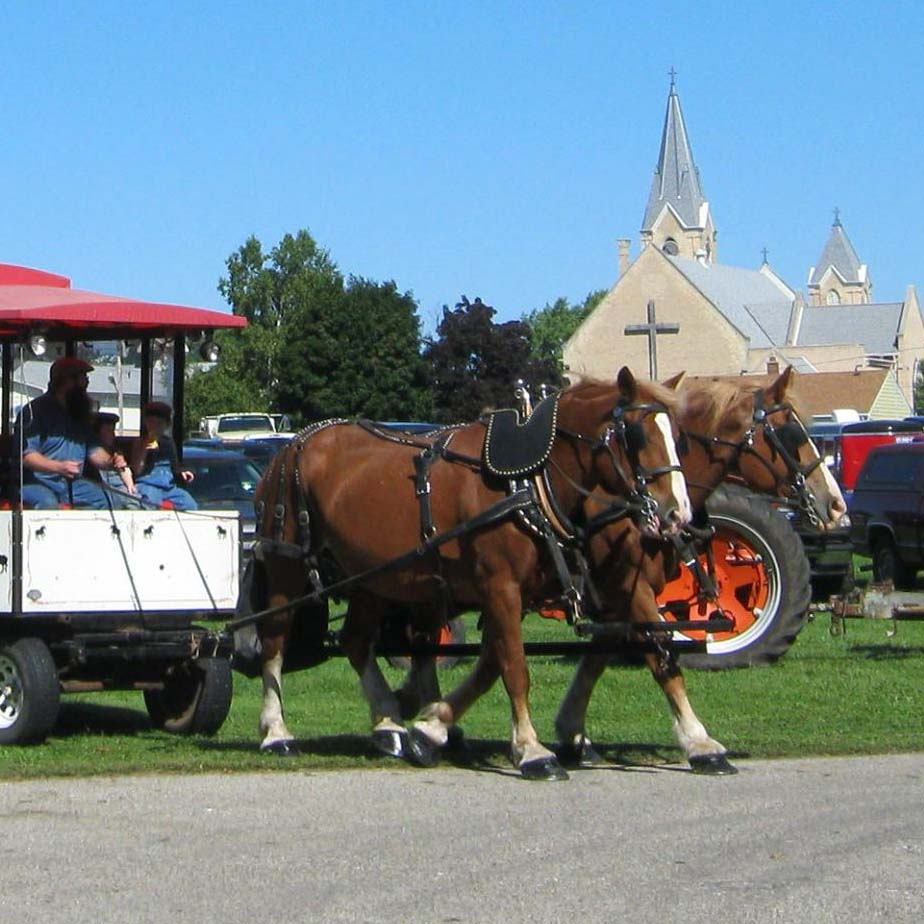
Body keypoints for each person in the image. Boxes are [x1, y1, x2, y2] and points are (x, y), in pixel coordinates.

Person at [12, 356, 114, 509]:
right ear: (66, 380)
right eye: (83, 377)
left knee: (107, 499)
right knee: (48, 503)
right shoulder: (34, 412)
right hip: (36, 482)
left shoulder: (79, 413)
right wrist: (59, 467)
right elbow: (26, 456)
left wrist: (112, 462)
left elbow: (94, 451)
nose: (87, 382)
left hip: (72, 483)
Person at [130, 401, 198, 510]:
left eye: (159, 423)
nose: (155, 427)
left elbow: (174, 466)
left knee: (189, 504)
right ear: (146, 423)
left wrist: (183, 471)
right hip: (148, 485)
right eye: (151, 422)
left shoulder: (168, 443)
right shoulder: (140, 442)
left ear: (167, 425)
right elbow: (137, 470)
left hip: (168, 487)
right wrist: (144, 450)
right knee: (150, 504)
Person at [91, 412, 139, 508]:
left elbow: (124, 469)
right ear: (98, 432)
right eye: (108, 431)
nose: (113, 434)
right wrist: (113, 459)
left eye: (113, 431)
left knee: (134, 502)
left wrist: (130, 485)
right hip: (101, 487)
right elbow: (100, 460)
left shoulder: (115, 450)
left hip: (119, 487)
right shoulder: (91, 448)